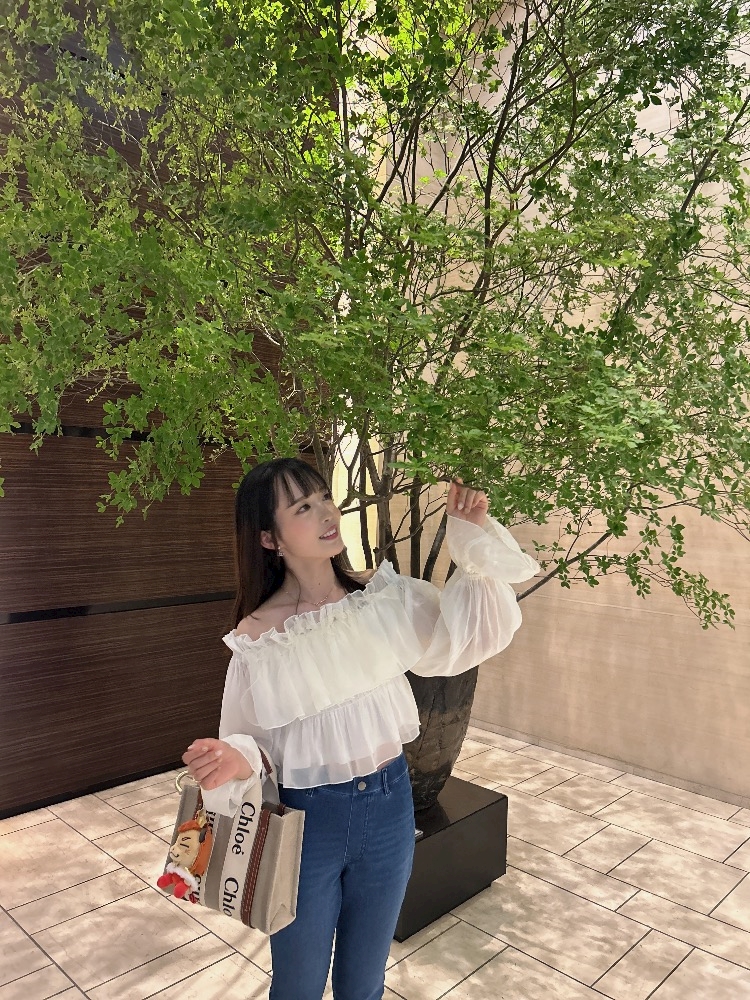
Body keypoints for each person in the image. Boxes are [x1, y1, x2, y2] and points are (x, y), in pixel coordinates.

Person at [183, 458, 539, 1000]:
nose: (327, 513)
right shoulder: (259, 638)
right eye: (303, 507)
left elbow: (465, 637)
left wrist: (471, 543)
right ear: (269, 538)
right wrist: (233, 758)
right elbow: (253, 742)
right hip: (309, 823)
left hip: (390, 808)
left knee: (364, 982)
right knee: (298, 984)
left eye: (325, 498)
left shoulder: (381, 598)